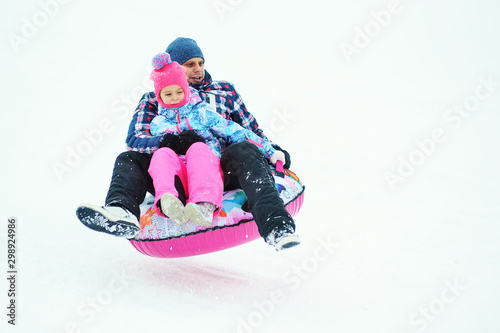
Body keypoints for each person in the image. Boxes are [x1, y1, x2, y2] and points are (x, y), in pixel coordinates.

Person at [76, 37, 300, 251]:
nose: (198, 69)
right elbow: (135, 140)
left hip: (221, 168)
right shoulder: (154, 98)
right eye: (189, 64)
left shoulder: (224, 91)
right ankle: (121, 211)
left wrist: (272, 150)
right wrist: (171, 142)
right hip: (173, 174)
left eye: (201, 63)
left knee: (243, 148)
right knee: (128, 158)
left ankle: (277, 225)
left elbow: (247, 130)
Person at [148, 52, 284, 227]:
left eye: (179, 92)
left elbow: (234, 130)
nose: (174, 97)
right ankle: (169, 201)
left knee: (199, 148)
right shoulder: (157, 123)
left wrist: (270, 150)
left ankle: (204, 204)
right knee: (162, 154)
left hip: (206, 170)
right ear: (160, 97)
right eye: (168, 94)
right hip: (181, 176)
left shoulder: (202, 113)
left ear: (186, 91)